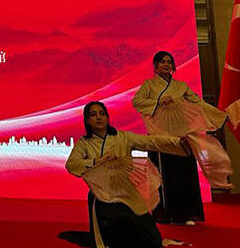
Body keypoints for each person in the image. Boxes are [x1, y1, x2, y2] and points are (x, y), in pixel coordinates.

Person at [65, 101, 190, 248]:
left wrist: (178, 142)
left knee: (153, 239)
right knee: (120, 221)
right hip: (102, 195)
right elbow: (71, 165)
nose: (99, 117)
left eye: (102, 114)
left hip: (127, 192)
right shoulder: (84, 143)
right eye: (93, 114)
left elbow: (150, 141)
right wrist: (96, 161)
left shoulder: (122, 137)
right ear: (87, 120)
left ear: (107, 117)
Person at [132, 51, 230, 224]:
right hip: (159, 136)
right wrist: (158, 102)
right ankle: (164, 213)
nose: (166, 65)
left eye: (169, 62)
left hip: (180, 134)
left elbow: (198, 103)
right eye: (162, 62)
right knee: (163, 175)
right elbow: (137, 102)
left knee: (183, 173)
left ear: (173, 66)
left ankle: (185, 213)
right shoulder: (148, 85)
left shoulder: (181, 86)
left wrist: (219, 115)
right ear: (156, 66)